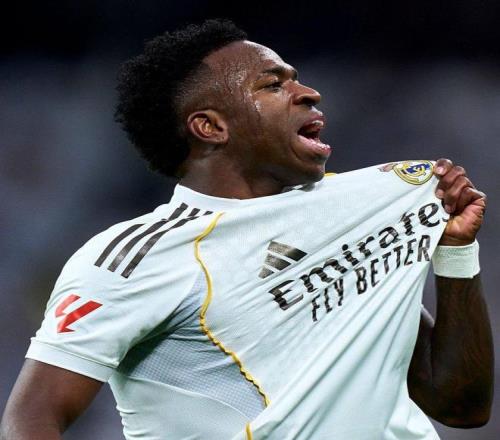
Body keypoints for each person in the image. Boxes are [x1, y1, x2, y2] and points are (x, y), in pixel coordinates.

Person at [0, 19, 493, 440]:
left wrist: (455, 251)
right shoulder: (142, 256)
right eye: (273, 85)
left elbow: (460, 407)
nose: (308, 93)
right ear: (211, 127)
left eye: (295, 79)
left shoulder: (357, 219)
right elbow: (32, 417)